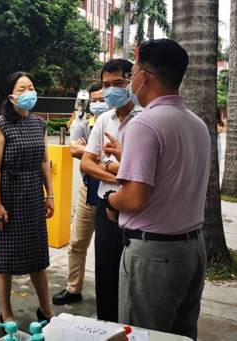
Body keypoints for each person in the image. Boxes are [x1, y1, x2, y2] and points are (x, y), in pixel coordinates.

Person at [106, 39, 209, 340]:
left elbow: (134, 199)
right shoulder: (197, 124)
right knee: (181, 334)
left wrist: (110, 201)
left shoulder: (145, 124)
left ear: (145, 76)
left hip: (155, 254)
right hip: (192, 249)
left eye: (133, 73)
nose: (131, 80)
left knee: (143, 335)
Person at [0, 71, 55, 324]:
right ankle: (6, 312)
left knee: (38, 256)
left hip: (33, 194)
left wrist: (50, 195)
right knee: (5, 258)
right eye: (22, 89)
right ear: (11, 96)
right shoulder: (0, 125)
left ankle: (46, 308)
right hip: (9, 195)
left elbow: (44, 161)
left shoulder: (39, 124)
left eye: (31, 88)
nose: (29, 93)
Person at [80, 59, 140, 322]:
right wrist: (120, 175)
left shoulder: (145, 119)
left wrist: (114, 166)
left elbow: (146, 172)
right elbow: (86, 163)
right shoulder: (105, 119)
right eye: (106, 85)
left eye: (118, 83)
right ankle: (106, 324)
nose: (111, 90)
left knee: (134, 275)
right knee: (106, 271)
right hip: (106, 204)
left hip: (136, 206)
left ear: (131, 81)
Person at [53, 82, 108, 306]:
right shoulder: (83, 122)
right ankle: (73, 289)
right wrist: (103, 156)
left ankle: (110, 293)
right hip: (88, 187)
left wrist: (90, 153)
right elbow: (75, 150)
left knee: (108, 246)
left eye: (102, 99)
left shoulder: (122, 122)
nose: (97, 104)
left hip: (113, 190)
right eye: (94, 100)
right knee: (77, 242)